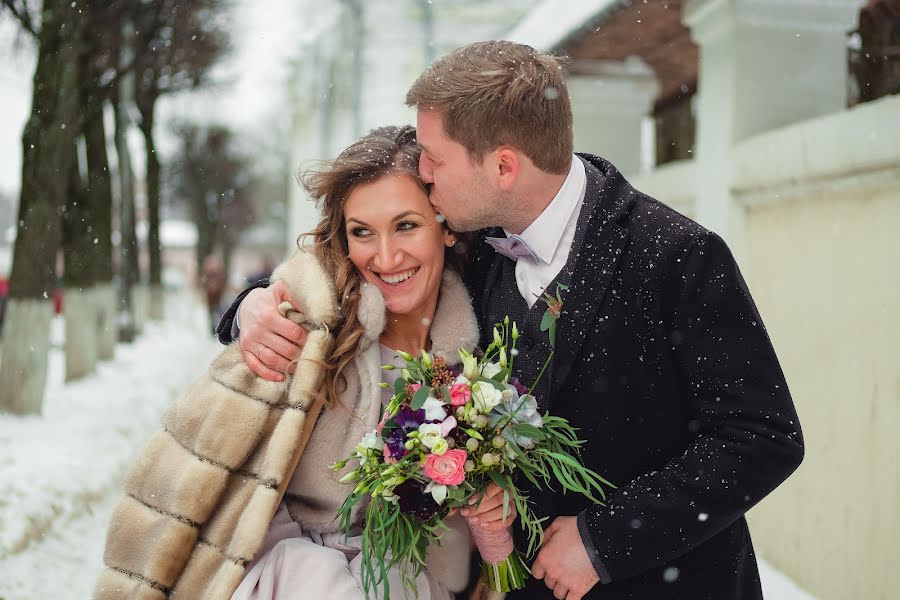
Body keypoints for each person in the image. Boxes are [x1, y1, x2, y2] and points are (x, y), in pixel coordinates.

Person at [218, 42, 804, 600]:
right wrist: (251, 304)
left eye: (434, 157)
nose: (422, 171)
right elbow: (356, 263)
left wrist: (604, 541)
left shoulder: (675, 255)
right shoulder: (470, 242)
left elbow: (762, 438)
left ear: (502, 166)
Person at [98, 126, 514, 600]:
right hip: (286, 575)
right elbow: (208, 477)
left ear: (445, 224)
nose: (385, 256)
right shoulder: (303, 329)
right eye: (362, 232)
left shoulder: (480, 353)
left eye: (406, 225)